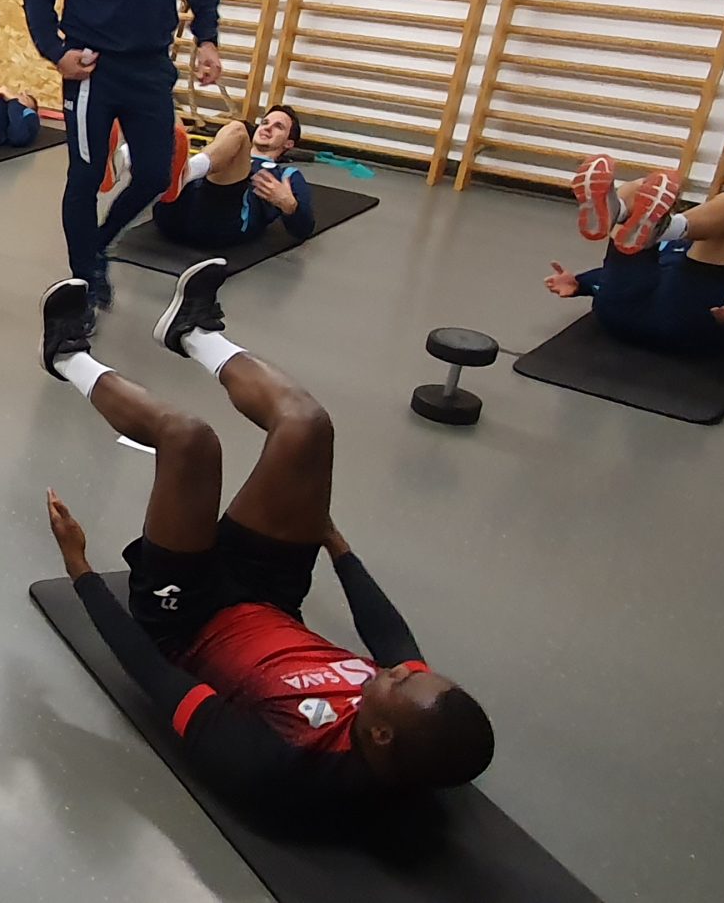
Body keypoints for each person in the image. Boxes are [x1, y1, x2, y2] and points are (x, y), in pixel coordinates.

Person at [39, 260, 494, 812]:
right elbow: (390, 635)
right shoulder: (406, 714)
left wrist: (82, 572)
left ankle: (66, 357)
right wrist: (336, 544)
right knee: (308, 424)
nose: (397, 669)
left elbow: (153, 674)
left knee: (189, 440)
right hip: (272, 596)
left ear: (380, 734)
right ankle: (194, 334)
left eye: (396, 681)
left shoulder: (276, 764)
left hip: (186, 620)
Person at [24, 0, 223, 317]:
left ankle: (97, 245)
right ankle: (83, 281)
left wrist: (207, 39)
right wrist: (56, 52)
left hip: (151, 65)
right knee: (85, 176)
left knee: (156, 174)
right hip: (93, 70)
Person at [544, 156, 724, 353]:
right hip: (617, 312)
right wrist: (580, 284)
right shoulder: (667, 246)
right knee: (643, 186)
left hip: (685, 324)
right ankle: (617, 211)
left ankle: (633, 217)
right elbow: (628, 273)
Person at [148, 106, 315, 248]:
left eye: (278, 126)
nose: (267, 128)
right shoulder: (222, 150)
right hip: (170, 216)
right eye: (265, 122)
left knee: (237, 129)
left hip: (220, 223)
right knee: (169, 113)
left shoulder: (286, 174)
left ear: (288, 143)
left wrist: (289, 204)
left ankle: (180, 174)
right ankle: (177, 175)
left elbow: (304, 229)